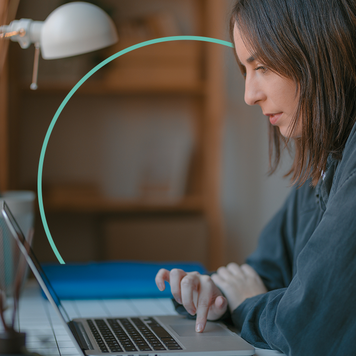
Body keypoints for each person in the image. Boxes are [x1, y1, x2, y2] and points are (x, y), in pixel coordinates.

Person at [155, 0, 356, 354]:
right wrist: (213, 294)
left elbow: (307, 327)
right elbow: (264, 271)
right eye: (245, 71)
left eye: (261, 66)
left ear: (320, 50)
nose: (250, 96)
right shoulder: (326, 161)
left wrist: (245, 303)